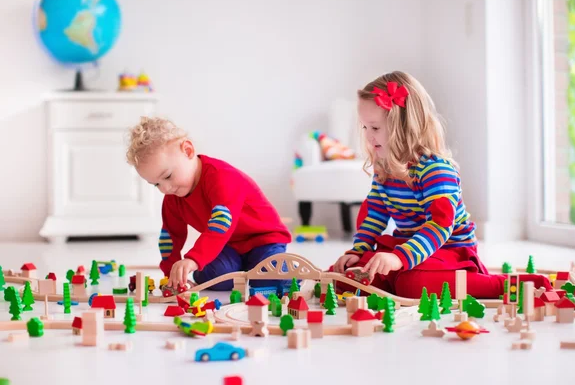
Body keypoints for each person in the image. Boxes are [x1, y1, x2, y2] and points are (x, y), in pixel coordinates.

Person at [332, 71, 551, 299]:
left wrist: (399, 258)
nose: (368, 137)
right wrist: (359, 251)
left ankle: (502, 285)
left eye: (375, 128)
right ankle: (396, 277)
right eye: (364, 128)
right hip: (411, 248)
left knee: (412, 286)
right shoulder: (384, 169)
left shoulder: (435, 170)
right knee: (347, 277)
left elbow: (439, 226)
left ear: (404, 127)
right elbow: (374, 216)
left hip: (449, 250)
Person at [125, 117, 292, 291]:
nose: (165, 188)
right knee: (210, 276)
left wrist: (193, 258)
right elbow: (170, 236)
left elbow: (220, 225)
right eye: (156, 184)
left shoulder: (221, 178)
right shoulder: (172, 199)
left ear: (188, 151)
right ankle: (244, 268)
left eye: (167, 176)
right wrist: (172, 276)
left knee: (270, 283)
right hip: (230, 246)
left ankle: (288, 273)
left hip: (264, 240)